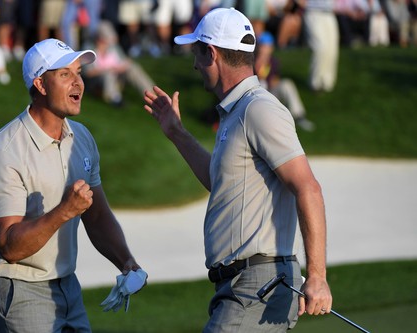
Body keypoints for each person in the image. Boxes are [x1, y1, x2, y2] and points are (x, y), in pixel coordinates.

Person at [143, 7, 332, 332]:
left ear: (212, 54)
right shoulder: (237, 112)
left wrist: (317, 277)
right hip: (243, 286)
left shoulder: (258, 109)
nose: (195, 65)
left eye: (198, 54)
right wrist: (177, 133)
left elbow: (308, 188)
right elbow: (220, 182)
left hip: (257, 287)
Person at [0, 38, 144, 332]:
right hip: (17, 286)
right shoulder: (6, 151)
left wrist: (126, 261)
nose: (78, 83)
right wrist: (65, 211)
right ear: (40, 85)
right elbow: (9, 246)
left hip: (66, 283)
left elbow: (97, 215)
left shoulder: (81, 138)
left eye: (78, 72)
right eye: (65, 74)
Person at [83, 20, 155, 106]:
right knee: (108, 73)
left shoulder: (113, 47)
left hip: (117, 78)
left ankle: (151, 95)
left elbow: (125, 61)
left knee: (133, 68)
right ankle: (115, 99)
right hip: (98, 82)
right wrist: (109, 69)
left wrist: (123, 66)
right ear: (99, 38)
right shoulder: (89, 48)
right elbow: (87, 73)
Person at [255, 31, 315, 131]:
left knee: (287, 84)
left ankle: (298, 116)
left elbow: (275, 79)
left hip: (270, 93)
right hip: (257, 96)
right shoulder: (252, 61)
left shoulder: (273, 62)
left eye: (267, 47)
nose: (264, 49)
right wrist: (260, 62)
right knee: (262, 83)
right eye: (262, 46)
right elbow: (257, 77)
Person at [298, 0, 339, 92]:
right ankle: (315, 83)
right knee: (320, 47)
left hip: (329, 13)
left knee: (331, 49)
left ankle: (327, 83)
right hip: (313, 12)